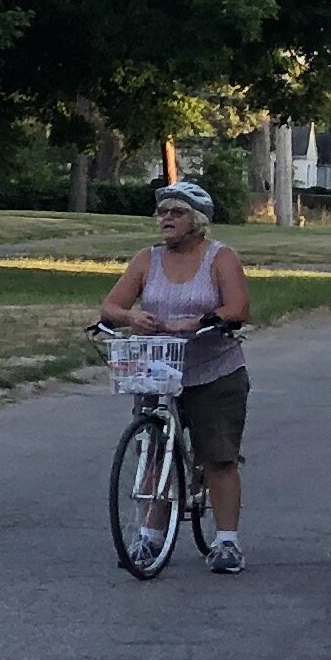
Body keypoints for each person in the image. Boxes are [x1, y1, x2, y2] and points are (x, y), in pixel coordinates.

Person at [99, 179, 254, 571]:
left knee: (218, 456)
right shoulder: (145, 260)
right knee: (152, 451)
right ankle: (150, 536)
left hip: (213, 370)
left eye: (176, 212)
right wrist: (131, 316)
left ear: (197, 221)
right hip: (158, 369)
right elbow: (111, 306)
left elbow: (238, 308)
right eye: (162, 212)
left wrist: (200, 321)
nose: (166, 218)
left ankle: (227, 542)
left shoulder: (220, 258)